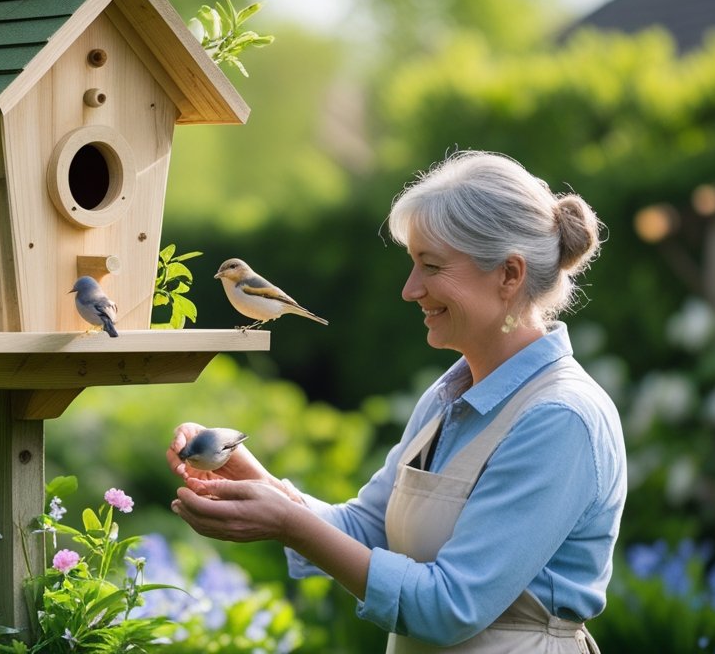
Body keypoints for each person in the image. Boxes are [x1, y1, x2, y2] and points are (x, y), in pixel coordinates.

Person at [167, 150, 625, 652]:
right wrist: (257, 481)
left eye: (430, 266)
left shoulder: (559, 418)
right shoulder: (449, 396)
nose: (409, 290)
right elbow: (368, 528)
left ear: (509, 275)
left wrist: (288, 524)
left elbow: (450, 607)